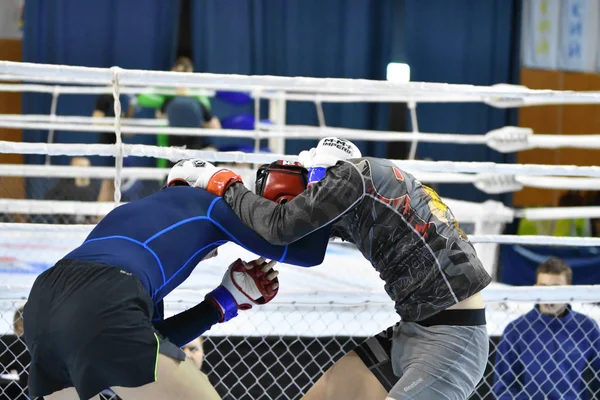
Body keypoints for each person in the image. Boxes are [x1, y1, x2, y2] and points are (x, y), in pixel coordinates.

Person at [187, 137, 492, 399]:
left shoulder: (351, 177)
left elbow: (279, 227)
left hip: (453, 339)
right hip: (414, 329)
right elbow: (295, 246)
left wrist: (225, 185)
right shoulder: (365, 189)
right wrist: (215, 237)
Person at [23, 159, 329, 400]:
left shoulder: (129, 215)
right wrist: (323, 180)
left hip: (44, 300)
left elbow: (151, 339)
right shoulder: (207, 203)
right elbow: (306, 251)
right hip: (106, 297)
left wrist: (221, 302)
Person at [493, 257, 600, 399]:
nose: (548, 296)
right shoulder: (516, 330)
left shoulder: (587, 327)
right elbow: (502, 387)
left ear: (570, 290)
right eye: (543, 288)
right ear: (535, 288)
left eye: (555, 289)